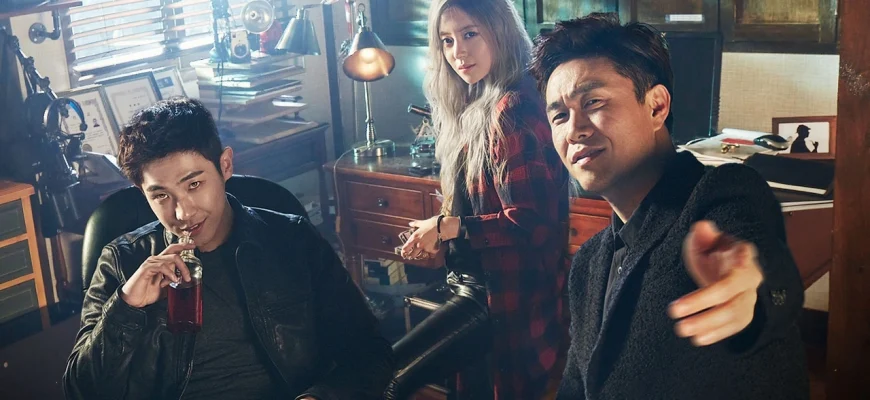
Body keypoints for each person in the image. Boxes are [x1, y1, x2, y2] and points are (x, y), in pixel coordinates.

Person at [530, 14, 808, 400]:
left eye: (593, 102)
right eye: (559, 115)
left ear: (656, 106)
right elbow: (577, 387)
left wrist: (752, 289)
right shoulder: (589, 264)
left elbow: (760, 258)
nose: (574, 129)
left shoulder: (719, 193)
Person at [64, 98, 394, 400]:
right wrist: (127, 308)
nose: (183, 213)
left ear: (225, 166)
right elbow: (80, 392)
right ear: (143, 193)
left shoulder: (292, 240)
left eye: (194, 184)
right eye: (161, 195)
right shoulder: (122, 261)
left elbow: (369, 352)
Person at [388, 0, 569, 399]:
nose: (458, 52)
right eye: (447, 40)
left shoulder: (513, 108)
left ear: (500, 31)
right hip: (478, 285)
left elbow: (533, 224)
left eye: (470, 34)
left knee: (386, 377)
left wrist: (448, 227)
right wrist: (441, 232)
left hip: (501, 298)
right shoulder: (479, 100)